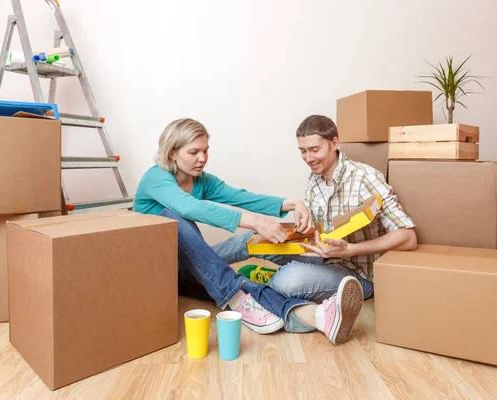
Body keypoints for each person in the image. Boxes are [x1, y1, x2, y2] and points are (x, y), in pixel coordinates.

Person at [133, 118, 364, 345]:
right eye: (194, 152)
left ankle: (315, 316)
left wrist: (292, 204)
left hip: (190, 266)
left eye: (205, 151)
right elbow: (189, 207)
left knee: (239, 270)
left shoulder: (200, 180)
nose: (202, 159)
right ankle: (236, 297)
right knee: (173, 218)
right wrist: (255, 221)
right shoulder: (156, 177)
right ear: (172, 153)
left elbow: (242, 197)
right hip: (156, 272)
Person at [216, 115, 417, 316]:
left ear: (334, 143)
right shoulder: (315, 179)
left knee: (286, 280)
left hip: (358, 274)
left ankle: (269, 280)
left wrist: (350, 249)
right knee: (253, 239)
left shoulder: (366, 178)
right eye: (303, 151)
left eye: (314, 150)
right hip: (323, 258)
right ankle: (190, 266)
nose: (309, 158)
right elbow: (321, 232)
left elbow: (408, 237)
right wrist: (303, 229)